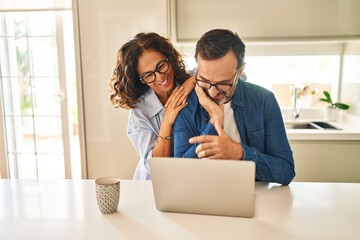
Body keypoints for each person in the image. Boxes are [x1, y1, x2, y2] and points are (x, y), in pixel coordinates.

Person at [173, 29, 295, 185]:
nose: (212, 91)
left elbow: (286, 171)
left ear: (240, 71)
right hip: (201, 195)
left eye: (223, 83)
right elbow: (180, 173)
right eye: (204, 80)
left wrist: (240, 153)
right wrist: (213, 122)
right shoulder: (186, 105)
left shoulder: (264, 100)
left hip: (253, 196)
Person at [109, 32, 195, 180]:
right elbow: (155, 165)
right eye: (149, 75)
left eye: (161, 65)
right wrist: (167, 120)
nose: (161, 77)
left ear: (169, 58)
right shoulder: (139, 113)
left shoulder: (192, 78)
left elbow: (228, 75)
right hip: (152, 185)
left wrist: (192, 82)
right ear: (140, 79)